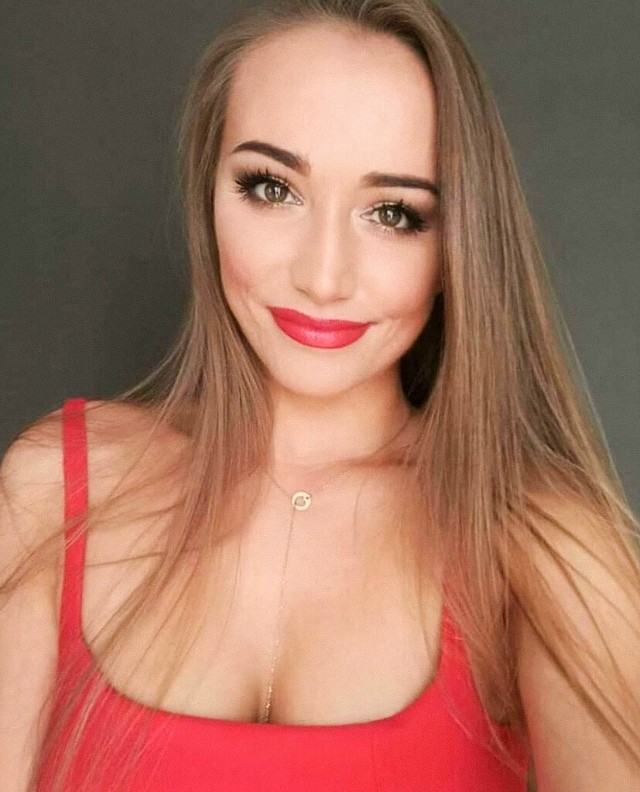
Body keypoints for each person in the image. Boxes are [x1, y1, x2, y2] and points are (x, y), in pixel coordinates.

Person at [1, 0, 639, 790]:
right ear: (207, 195)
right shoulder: (55, 493)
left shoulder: (540, 544)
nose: (323, 276)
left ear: (459, 245)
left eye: (393, 213)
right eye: (273, 188)